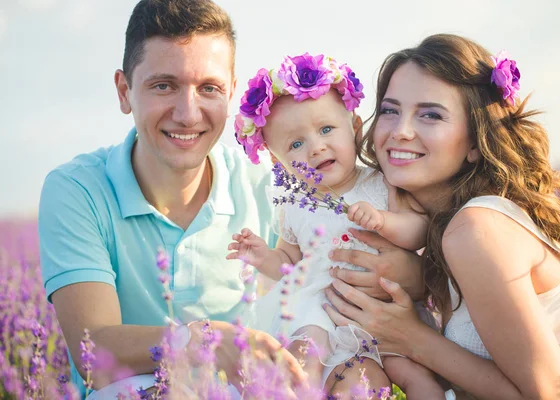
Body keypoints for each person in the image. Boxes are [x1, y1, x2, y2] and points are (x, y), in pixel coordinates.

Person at [38, 0, 425, 397]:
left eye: (209, 88)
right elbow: (92, 350)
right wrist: (199, 342)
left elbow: (320, 266)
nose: (188, 114)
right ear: (124, 91)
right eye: (163, 85)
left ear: (231, 94)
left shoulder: (274, 183)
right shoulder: (78, 189)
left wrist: (406, 274)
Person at [324, 33, 560, 399]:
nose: (400, 131)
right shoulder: (430, 231)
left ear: (474, 143)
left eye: (431, 115)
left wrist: (411, 337)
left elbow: (550, 394)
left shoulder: (476, 227)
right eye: (390, 110)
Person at [227, 53, 445, 399]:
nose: (316, 147)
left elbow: (419, 230)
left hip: (384, 310)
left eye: (326, 129)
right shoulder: (294, 206)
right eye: (296, 144)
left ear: (355, 128)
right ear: (277, 161)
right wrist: (263, 256)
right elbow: (290, 262)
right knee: (302, 364)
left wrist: (385, 222)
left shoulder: (380, 183)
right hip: (320, 308)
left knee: (415, 376)